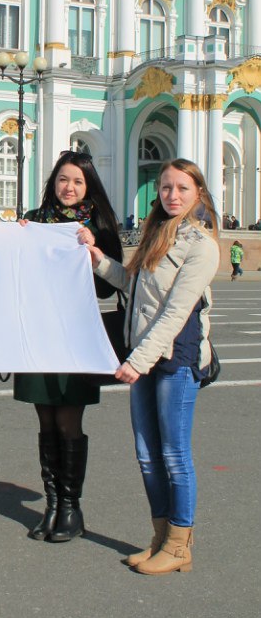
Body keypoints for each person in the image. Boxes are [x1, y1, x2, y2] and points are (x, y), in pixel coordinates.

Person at [81, 159, 219, 575]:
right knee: (146, 454)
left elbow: (176, 313)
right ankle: (160, 537)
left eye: (182, 188)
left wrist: (135, 362)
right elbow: (132, 284)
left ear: (198, 193)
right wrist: (97, 258)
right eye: (165, 188)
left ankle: (180, 545)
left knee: (174, 454)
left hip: (174, 359)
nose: (172, 195)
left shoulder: (202, 245)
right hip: (144, 354)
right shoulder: (156, 234)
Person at [14, 150, 122, 542]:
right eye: (63, 179)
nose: (69, 187)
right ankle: (52, 504)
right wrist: (17, 239)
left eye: (77, 181)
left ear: (88, 185)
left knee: (68, 421)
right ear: (53, 182)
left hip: (76, 334)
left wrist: (94, 252)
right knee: (45, 421)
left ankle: (72, 508)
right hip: (39, 333)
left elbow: (110, 287)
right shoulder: (36, 220)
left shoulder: (98, 225)